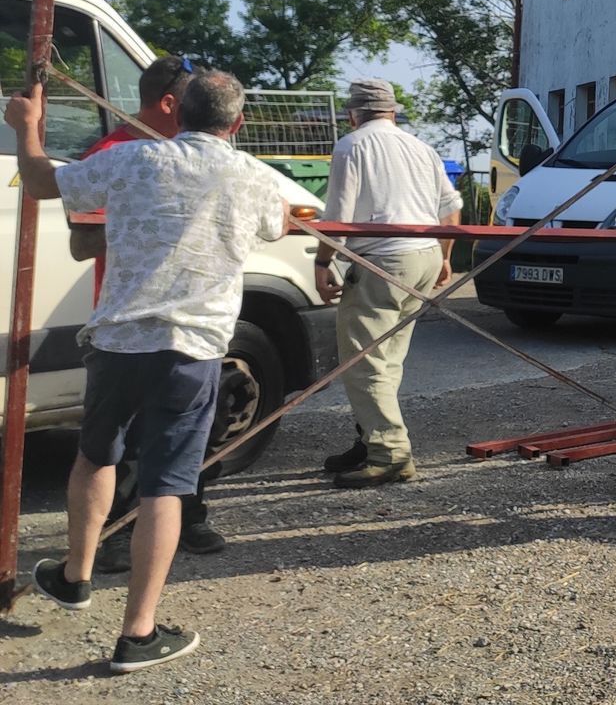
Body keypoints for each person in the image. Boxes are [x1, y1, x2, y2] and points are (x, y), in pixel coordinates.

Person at [7, 70, 290, 675]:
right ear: (237, 123)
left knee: (95, 456)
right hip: (193, 348)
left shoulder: (132, 159)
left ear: (176, 112)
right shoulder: (253, 176)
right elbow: (280, 224)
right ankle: (138, 632)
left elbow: (40, 181)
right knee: (166, 486)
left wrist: (28, 128)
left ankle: (76, 574)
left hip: (117, 339)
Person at [69, 56, 229, 571]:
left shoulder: (194, 154)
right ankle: (117, 535)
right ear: (170, 104)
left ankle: (191, 516)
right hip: (131, 324)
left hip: (190, 325)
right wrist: (159, 223)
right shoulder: (113, 154)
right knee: (123, 442)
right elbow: (80, 243)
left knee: (182, 440)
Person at [315, 78, 460, 488]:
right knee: (389, 359)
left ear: (353, 114)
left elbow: (338, 217)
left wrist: (322, 262)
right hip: (424, 254)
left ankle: (389, 454)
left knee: (364, 362)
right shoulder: (422, 148)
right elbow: (451, 208)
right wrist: (445, 257)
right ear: (393, 112)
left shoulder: (352, 146)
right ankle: (371, 439)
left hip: (382, 260)